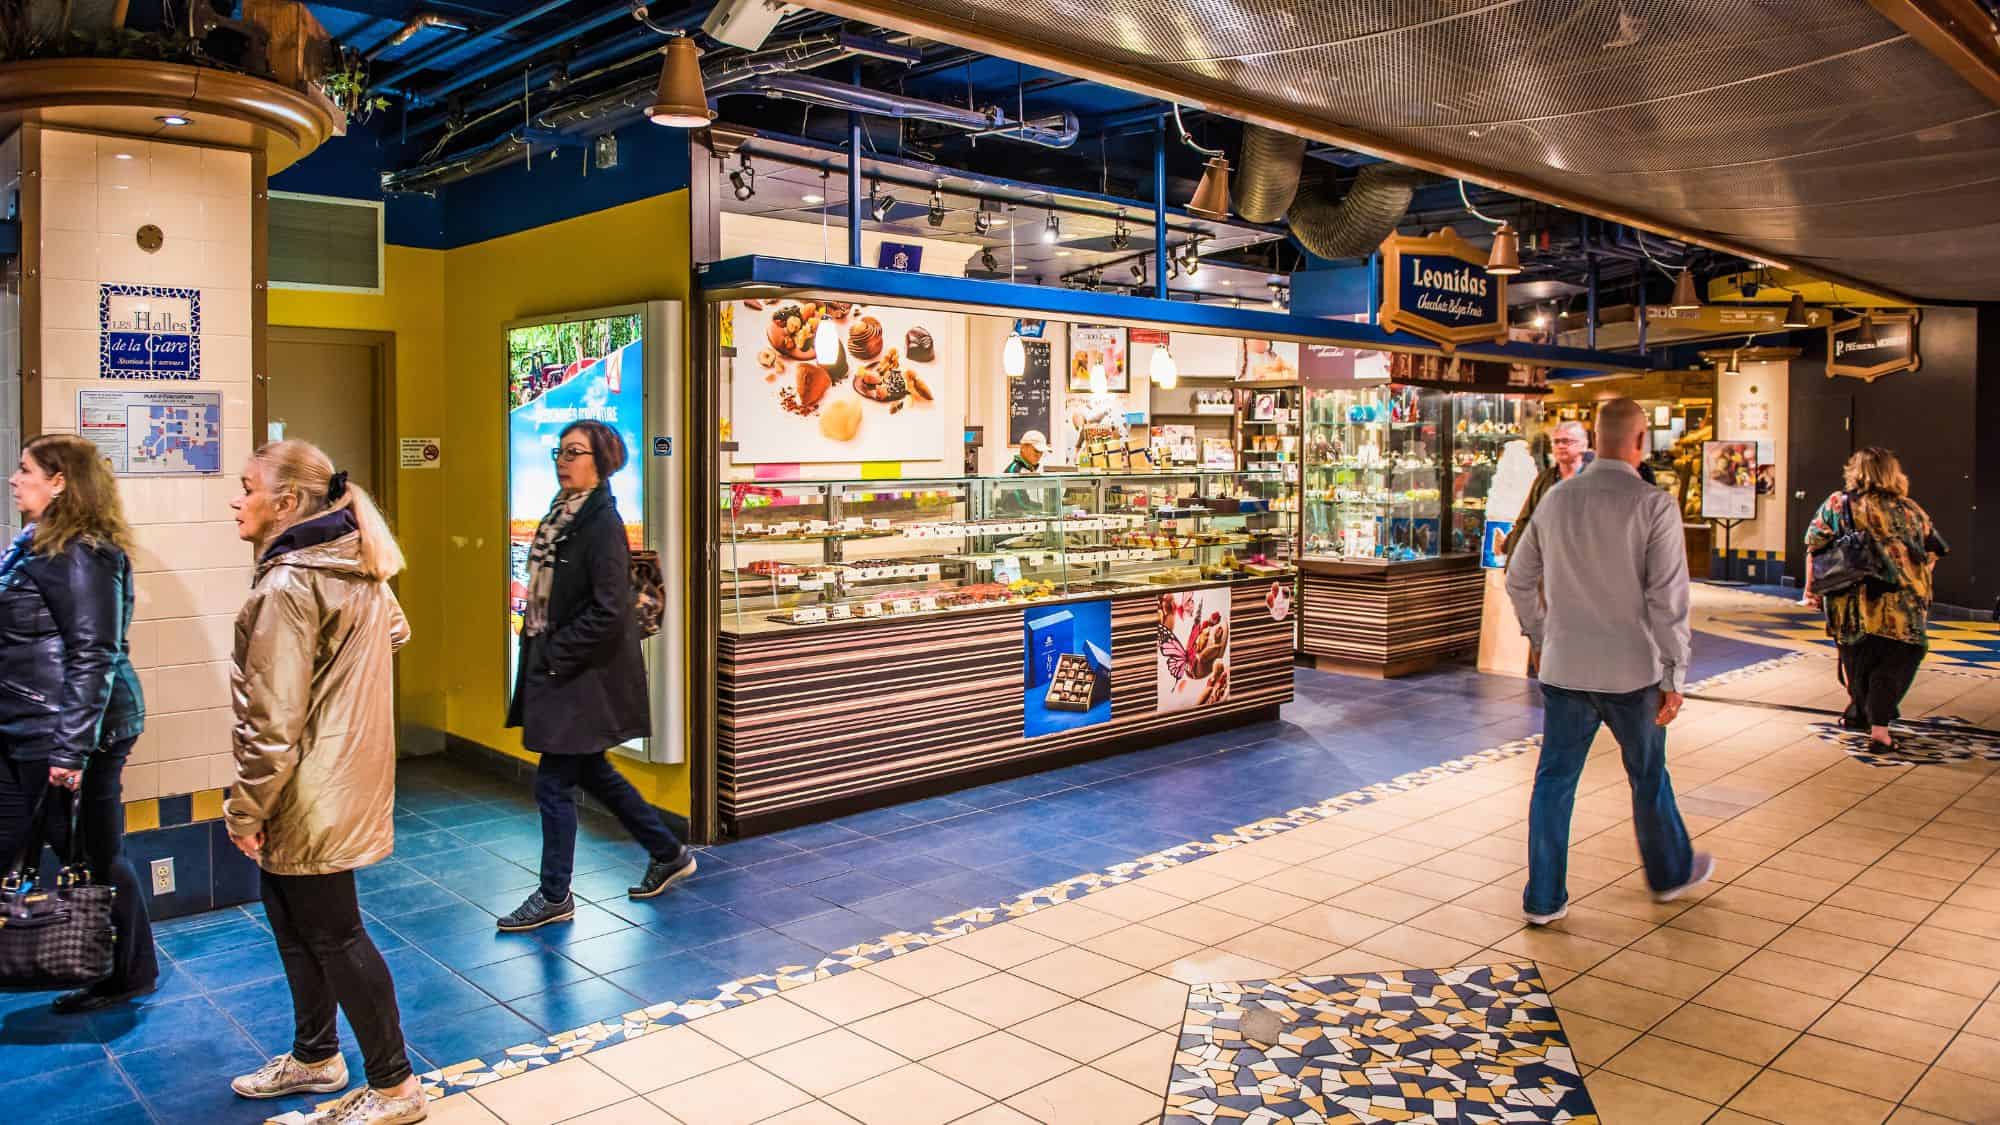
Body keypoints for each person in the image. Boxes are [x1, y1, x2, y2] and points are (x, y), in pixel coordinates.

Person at [223, 440, 425, 1125]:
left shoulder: (289, 583)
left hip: (307, 784)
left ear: (285, 503)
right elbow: (395, 631)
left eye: (247, 486)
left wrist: (245, 808)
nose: (236, 500)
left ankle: (395, 1086)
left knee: (335, 932)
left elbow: (272, 720)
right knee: (291, 917)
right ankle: (315, 1055)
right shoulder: (355, 562)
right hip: (335, 771)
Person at [1505, 398, 1713, 925]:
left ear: (1595, 440)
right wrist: (1674, 674)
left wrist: (1540, 634)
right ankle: (1669, 874)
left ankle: (1543, 899)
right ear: (1640, 440)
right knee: (1648, 775)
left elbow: (1518, 578)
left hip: (1565, 668)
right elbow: (1669, 601)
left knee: (1554, 782)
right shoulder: (1653, 505)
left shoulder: (1557, 500)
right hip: (1633, 673)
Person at [499, 420, 695, 933]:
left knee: (553, 784)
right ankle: (667, 851)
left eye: (575, 452)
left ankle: (554, 895)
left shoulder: (602, 523)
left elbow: (610, 609)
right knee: (592, 772)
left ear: (600, 463)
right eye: (560, 452)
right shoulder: (563, 512)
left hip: (578, 673)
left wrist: (556, 653)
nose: (563, 461)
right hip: (561, 667)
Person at [0, 435, 153, 1013]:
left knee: (91, 852)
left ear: (60, 482)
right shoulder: (34, 545)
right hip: (25, 724)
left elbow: (94, 654)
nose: (14, 479)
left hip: (64, 730)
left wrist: (71, 750)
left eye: (26, 470)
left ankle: (126, 972)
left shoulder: (83, 553)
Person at [1804, 447, 1947, 752]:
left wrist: (1811, 590)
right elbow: (1932, 551)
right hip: (1903, 603)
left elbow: (1814, 547)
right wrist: (1913, 577)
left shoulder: (1839, 503)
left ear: (1855, 471)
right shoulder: (1910, 509)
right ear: (1893, 473)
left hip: (1851, 600)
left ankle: (1860, 712)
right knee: (1897, 659)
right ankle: (1879, 730)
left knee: (1857, 659)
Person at [1503, 420, 1588, 551]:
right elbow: (1525, 521)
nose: (1561, 446)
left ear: (1583, 445)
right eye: (1556, 441)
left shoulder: (1595, 481)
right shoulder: (1544, 479)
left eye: (1566, 441)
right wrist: (1510, 549)